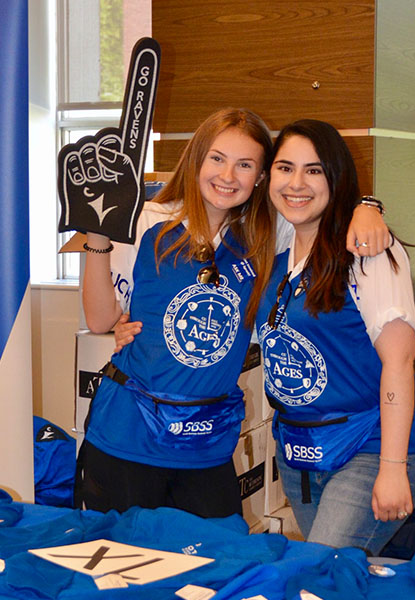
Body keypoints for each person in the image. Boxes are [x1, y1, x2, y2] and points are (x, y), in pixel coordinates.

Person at [79, 108, 389, 519]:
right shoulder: (148, 222)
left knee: (216, 571)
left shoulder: (268, 233)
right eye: (217, 159)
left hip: (205, 446)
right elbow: (101, 320)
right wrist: (97, 229)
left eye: (245, 165)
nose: (228, 176)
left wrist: (367, 205)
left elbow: (322, 206)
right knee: (123, 571)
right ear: (196, 160)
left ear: (261, 177)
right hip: (126, 434)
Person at [258, 119, 415, 555]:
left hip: (372, 448)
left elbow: (398, 361)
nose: (296, 183)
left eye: (314, 170)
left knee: (317, 572)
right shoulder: (278, 242)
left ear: (335, 177)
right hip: (301, 452)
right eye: (285, 168)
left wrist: (393, 467)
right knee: (335, 574)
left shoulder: (367, 251)